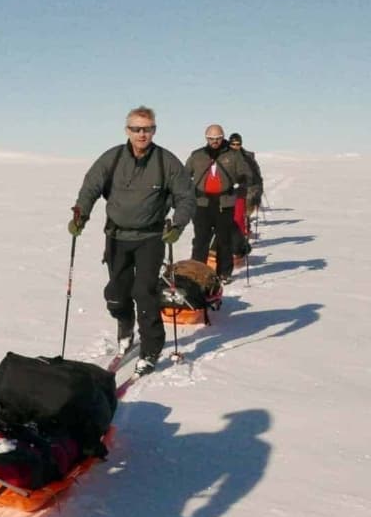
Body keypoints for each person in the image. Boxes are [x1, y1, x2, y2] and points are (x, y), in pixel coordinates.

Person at [69, 106, 195, 376]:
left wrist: (178, 224)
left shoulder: (166, 161)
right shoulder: (112, 158)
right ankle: (125, 327)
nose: (141, 134)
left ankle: (151, 347)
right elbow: (91, 186)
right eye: (136, 129)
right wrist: (81, 214)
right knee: (116, 293)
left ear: (154, 131)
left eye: (147, 129)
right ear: (127, 130)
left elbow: (186, 196)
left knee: (144, 292)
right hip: (116, 236)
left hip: (151, 237)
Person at [186, 125, 255, 283]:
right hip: (201, 204)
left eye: (217, 138)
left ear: (222, 137)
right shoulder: (197, 156)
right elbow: (184, 175)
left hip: (225, 203)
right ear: (206, 138)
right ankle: (197, 273)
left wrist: (243, 181)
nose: (214, 142)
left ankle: (224, 273)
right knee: (200, 240)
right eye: (211, 139)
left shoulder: (234, 155)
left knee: (224, 240)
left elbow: (246, 174)